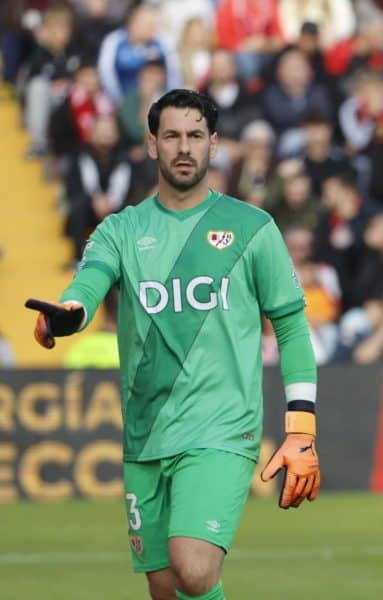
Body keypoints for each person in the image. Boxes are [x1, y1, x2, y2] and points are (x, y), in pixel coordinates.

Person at [24, 90, 321, 600]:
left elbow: (291, 328)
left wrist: (301, 428)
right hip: (146, 431)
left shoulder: (253, 228)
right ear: (151, 145)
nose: (184, 147)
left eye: (195, 136)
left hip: (222, 427)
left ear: (214, 144)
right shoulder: (121, 229)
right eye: (172, 136)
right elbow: (89, 283)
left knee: (194, 567)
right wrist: (70, 314)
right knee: (165, 587)